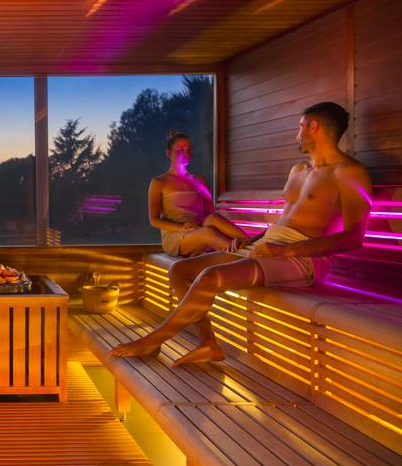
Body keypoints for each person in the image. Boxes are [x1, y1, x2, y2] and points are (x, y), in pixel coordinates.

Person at [112, 102, 372, 366]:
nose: (297, 135)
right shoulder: (299, 170)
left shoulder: (348, 172)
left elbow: (354, 237)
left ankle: (153, 340)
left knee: (209, 277)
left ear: (313, 127)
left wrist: (287, 250)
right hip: (270, 245)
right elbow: (287, 219)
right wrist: (252, 240)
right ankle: (207, 342)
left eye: (300, 127)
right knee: (180, 271)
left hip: (301, 257)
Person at [150, 130, 249, 257]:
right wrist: (182, 227)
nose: (186, 153)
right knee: (208, 232)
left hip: (198, 228)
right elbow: (154, 220)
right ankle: (247, 257)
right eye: (180, 150)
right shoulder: (159, 182)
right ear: (169, 153)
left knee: (213, 218)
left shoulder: (199, 181)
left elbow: (210, 214)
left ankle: (251, 242)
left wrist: (198, 224)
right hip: (176, 236)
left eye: (189, 150)